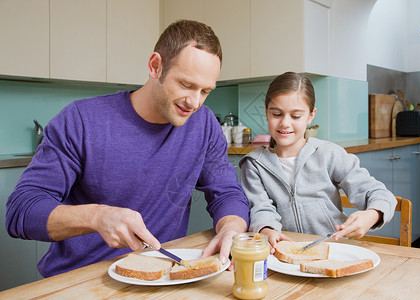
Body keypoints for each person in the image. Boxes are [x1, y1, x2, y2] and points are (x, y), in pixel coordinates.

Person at [6, 20, 249, 277]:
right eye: (187, 85)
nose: (195, 102)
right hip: (79, 280)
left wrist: (230, 229)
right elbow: (22, 210)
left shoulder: (203, 124)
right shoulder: (81, 120)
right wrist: (97, 217)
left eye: (206, 91)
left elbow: (227, 194)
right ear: (155, 66)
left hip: (159, 278)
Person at [239, 72, 396, 253]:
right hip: (283, 253)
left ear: (311, 116)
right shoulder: (254, 164)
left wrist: (372, 215)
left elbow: (378, 193)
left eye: (296, 116)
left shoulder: (329, 154)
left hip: (335, 250)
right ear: (266, 112)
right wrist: (267, 230)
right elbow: (260, 208)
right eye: (276, 114)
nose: (285, 123)